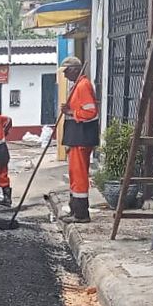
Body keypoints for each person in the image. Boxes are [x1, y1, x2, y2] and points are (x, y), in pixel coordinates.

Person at [60, 56, 99, 223]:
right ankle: (75, 209)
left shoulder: (83, 86)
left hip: (82, 137)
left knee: (79, 175)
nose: (64, 75)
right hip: (75, 137)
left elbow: (91, 113)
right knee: (74, 175)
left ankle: (81, 214)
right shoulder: (76, 86)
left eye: (66, 71)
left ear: (75, 69)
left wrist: (70, 113)